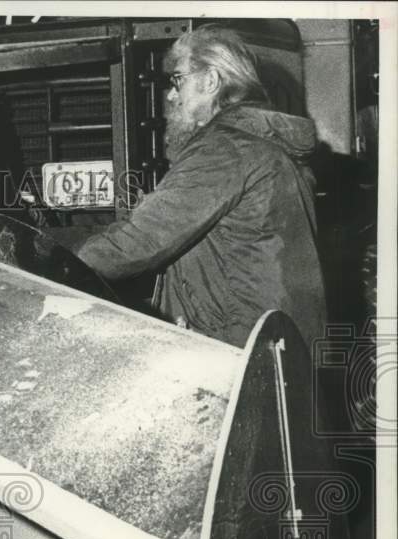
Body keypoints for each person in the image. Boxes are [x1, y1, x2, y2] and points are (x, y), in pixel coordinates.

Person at [74, 25, 326, 350]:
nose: (171, 95)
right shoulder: (262, 145)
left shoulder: (224, 147)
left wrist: (53, 266)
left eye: (178, 80)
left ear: (210, 81)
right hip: (276, 344)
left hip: (235, 347)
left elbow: (139, 242)